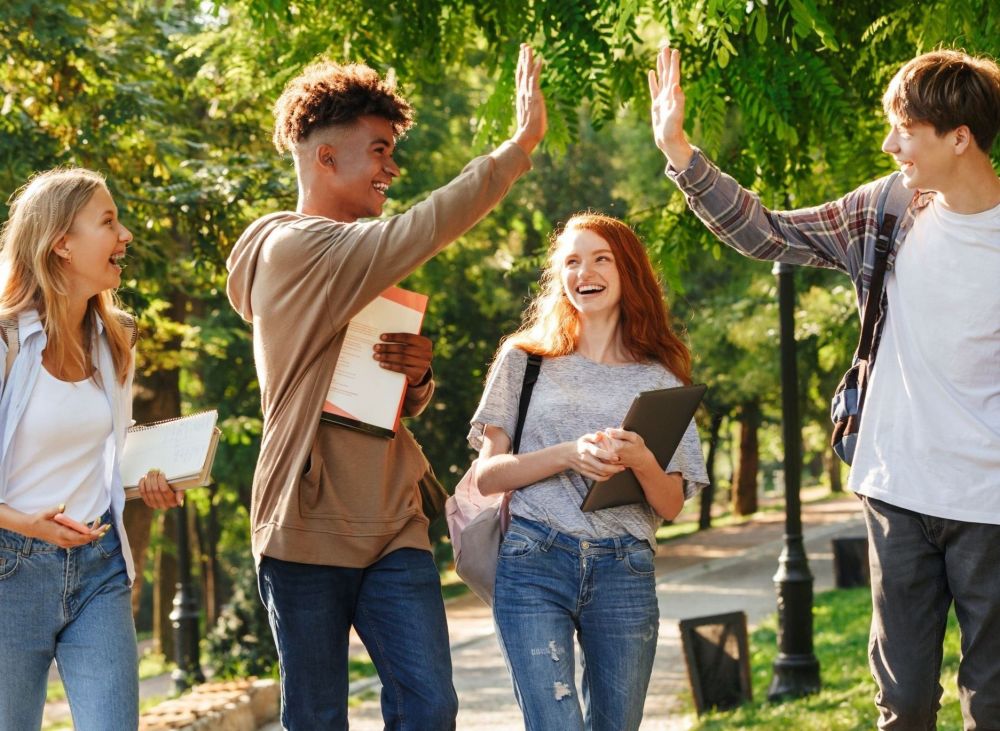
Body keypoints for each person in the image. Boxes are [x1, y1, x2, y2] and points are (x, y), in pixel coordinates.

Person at [650, 45, 1000, 728]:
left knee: (993, 701)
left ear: (960, 138)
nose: (887, 142)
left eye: (905, 129)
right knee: (902, 702)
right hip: (897, 488)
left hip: (989, 499)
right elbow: (768, 233)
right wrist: (681, 153)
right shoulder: (888, 210)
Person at [225, 44, 546, 730]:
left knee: (430, 703)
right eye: (378, 149)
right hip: (306, 525)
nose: (391, 167)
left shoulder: (355, 258)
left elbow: (373, 397)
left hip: (393, 519)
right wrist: (517, 149)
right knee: (316, 717)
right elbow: (423, 226)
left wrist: (416, 373)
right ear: (325, 158)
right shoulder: (295, 248)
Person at [469, 212, 708, 731]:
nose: (585, 272)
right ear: (561, 278)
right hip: (534, 558)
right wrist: (568, 454)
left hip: (625, 569)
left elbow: (669, 505)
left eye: (602, 259)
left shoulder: (660, 377)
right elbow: (486, 478)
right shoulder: (524, 360)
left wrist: (641, 458)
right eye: (572, 261)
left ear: (628, 274)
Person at [0, 168, 182, 731]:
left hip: (99, 566)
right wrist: (30, 525)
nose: (125, 235)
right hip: (11, 570)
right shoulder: (6, 340)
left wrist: (147, 479)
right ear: (61, 243)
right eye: (108, 222)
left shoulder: (115, 338)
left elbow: (102, 452)